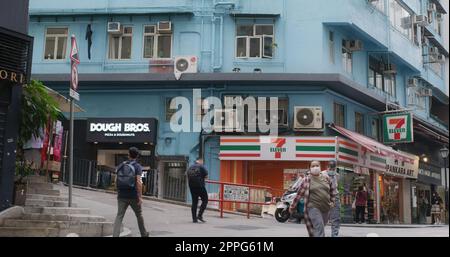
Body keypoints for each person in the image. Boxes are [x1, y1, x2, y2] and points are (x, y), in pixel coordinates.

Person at [290, 161, 337, 237]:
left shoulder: (326, 178)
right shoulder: (306, 180)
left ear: (320, 167)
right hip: (312, 207)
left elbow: (332, 190)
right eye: (313, 166)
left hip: (326, 208)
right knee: (319, 227)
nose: (315, 167)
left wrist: (332, 201)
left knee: (319, 228)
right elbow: (299, 194)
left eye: (317, 165)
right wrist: (292, 206)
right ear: (310, 168)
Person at [113, 147, 149, 237]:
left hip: (122, 195)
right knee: (139, 214)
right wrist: (140, 197)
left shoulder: (122, 165)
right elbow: (138, 182)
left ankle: (115, 235)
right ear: (137, 156)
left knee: (119, 216)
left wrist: (118, 190)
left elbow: (116, 179)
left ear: (128, 155)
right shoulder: (137, 167)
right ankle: (144, 234)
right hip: (133, 196)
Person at [187, 158, 209, 223]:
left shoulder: (190, 167)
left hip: (191, 186)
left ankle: (194, 219)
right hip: (200, 186)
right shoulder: (201, 166)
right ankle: (200, 215)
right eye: (202, 162)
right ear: (200, 161)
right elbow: (206, 176)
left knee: (194, 202)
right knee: (205, 200)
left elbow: (187, 175)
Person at [322, 160, 340, 237]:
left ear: (335, 168)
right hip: (324, 197)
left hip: (335, 197)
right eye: (330, 167)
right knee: (322, 218)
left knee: (335, 218)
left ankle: (334, 235)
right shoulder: (322, 174)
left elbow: (335, 187)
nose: (332, 170)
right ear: (327, 167)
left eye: (333, 168)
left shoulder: (337, 175)